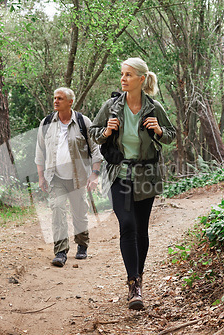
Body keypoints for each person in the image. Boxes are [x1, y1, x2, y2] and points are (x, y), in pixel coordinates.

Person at [89, 58, 176, 310]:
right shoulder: (111, 106)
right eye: (122, 74)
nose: (123, 79)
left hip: (146, 174)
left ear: (141, 79)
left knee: (141, 230)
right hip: (120, 174)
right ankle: (133, 282)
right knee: (127, 223)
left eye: (128, 75)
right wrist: (106, 131)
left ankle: (137, 282)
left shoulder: (154, 107)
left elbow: (170, 135)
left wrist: (159, 130)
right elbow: (93, 133)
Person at [35, 87, 102, 267]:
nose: (56, 101)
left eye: (60, 98)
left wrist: (94, 175)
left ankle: (82, 244)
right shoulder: (47, 122)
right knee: (57, 210)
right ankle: (60, 251)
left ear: (70, 102)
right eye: (55, 97)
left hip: (78, 177)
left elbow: (96, 149)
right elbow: (40, 152)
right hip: (55, 177)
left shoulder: (83, 122)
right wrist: (41, 177)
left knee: (79, 212)